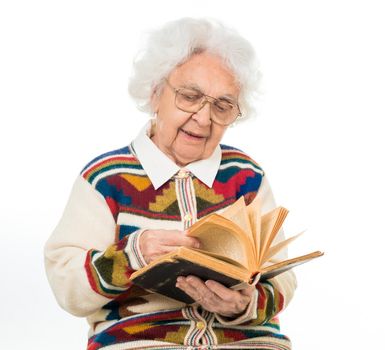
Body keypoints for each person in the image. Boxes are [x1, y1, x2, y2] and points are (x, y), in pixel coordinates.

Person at [44, 17, 297, 350]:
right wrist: (132, 255)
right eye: (190, 97)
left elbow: (282, 281)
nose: (204, 118)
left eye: (222, 106)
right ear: (155, 93)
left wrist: (244, 304)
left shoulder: (246, 176)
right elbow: (67, 285)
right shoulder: (106, 178)